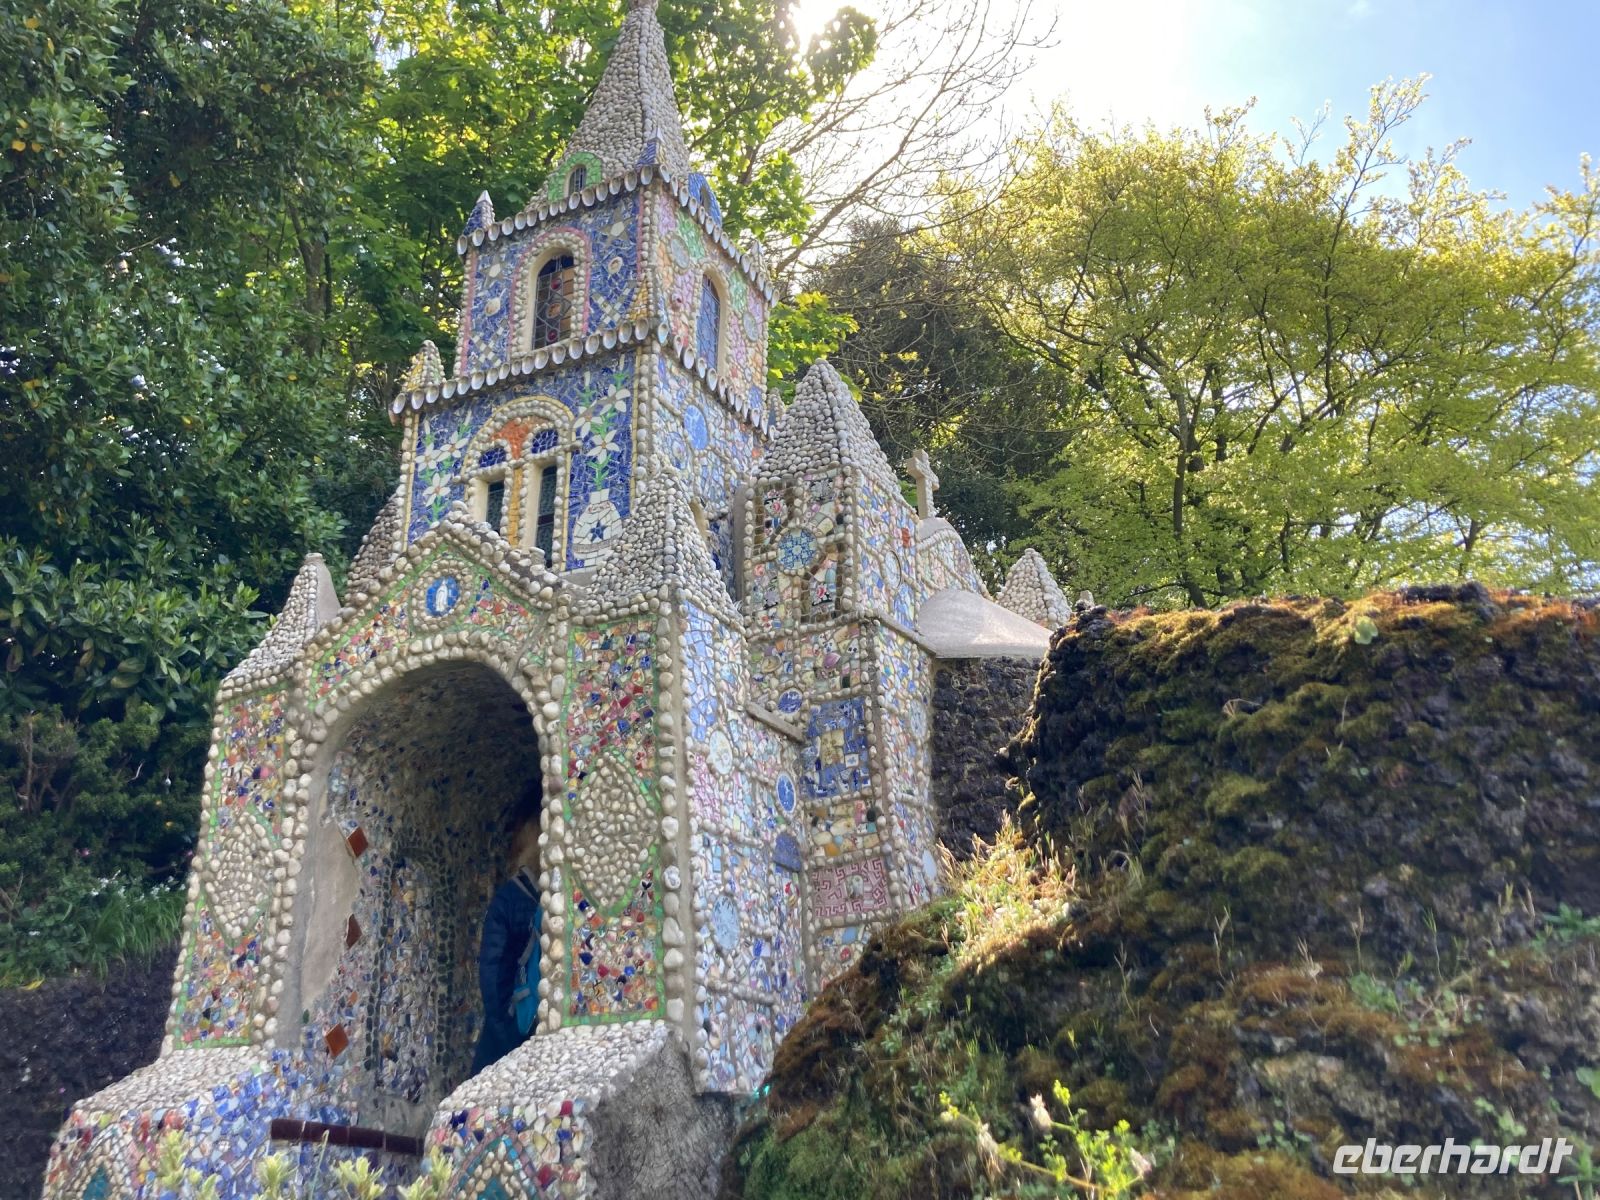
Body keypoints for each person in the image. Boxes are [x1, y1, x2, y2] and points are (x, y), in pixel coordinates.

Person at [470, 791, 542, 1074]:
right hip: (514, 1032)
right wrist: (509, 1037)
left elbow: (493, 971)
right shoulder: (515, 898)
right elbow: (494, 974)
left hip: (514, 1030)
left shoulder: (514, 897)